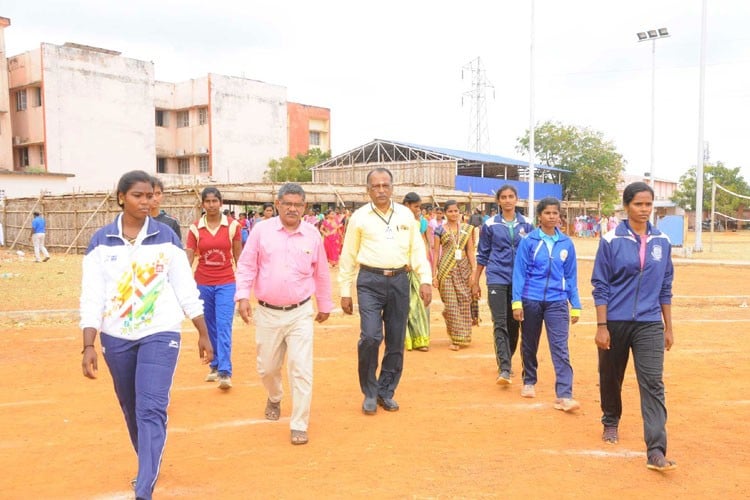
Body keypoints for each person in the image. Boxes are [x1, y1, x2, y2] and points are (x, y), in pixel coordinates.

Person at [80, 170, 212, 500]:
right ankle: (148, 463)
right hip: (116, 337)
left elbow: (185, 288)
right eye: (139, 195)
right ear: (122, 197)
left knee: (151, 408)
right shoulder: (100, 242)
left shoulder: (166, 237)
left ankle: (144, 489)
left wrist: (202, 332)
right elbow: (92, 296)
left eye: (151, 195)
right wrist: (88, 343)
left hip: (160, 332)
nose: (146, 201)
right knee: (130, 406)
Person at [235, 183, 332, 446]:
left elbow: (321, 272)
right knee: (267, 368)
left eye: (298, 204)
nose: (292, 208)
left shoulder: (312, 234)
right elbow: (246, 265)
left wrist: (325, 304)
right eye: (287, 203)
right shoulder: (261, 231)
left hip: (300, 312)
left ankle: (299, 423)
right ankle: (275, 396)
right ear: (277, 204)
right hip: (267, 313)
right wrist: (242, 295)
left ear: (304, 207)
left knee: (301, 369)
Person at [592, 181, 676, 471]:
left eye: (648, 204)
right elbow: (600, 284)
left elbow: (666, 285)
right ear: (627, 206)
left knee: (653, 383)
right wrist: (602, 325)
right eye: (638, 204)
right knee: (611, 376)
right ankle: (611, 420)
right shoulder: (611, 239)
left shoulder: (662, 241)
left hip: (650, 322)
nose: (644, 210)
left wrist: (668, 326)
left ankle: (656, 449)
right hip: (615, 320)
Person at [339, 168, 432, 414]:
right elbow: (348, 255)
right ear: (368, 190)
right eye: (376, 186)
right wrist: (345, 290)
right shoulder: (359, 217)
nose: (381, 190)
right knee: (370, 337)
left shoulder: (405, 215)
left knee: (395, 340)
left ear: (392, 188)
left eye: (385, 185)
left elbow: (417, 250)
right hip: (369, 280)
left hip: (400, 280)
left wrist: (425, 280)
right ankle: (369, 391)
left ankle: (386, 391)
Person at [512, 197, 581, 411]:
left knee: (560, 347)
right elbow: (519, 272)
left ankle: (564, 394)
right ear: (539, 216)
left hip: (557, 301)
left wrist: (575, 304)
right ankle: (529, 381)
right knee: (529, 343)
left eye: (555, 213)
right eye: (547, 213)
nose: (552, 216)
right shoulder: (529, 241)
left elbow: (571, 276)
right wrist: (517, 302)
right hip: (531, 299)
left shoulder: (566, 243)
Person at [471, 185, 534, 385]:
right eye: (503, 197)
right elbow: (483, 253)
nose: (507, 200)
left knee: (515, 324)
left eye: (511, 197)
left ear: (517, 200)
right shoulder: (489, 225)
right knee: (500, 323)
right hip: (497, 277)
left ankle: (508, 357)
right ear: (498, 201)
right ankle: (504, 368)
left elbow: (533, 254)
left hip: (521, 281)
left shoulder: (528, 224)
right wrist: (476, 280)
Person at [186, 187, 242, 390]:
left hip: (226, 282)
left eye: (214, 201)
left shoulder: (233, 226)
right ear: (202, 204)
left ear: (221, 203)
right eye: (207, 201)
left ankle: (225, 371)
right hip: (203, 283)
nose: (211, 205)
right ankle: (215, 365)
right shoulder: (195, 228)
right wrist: (183, 280)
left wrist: (243, 285)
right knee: (209, 327)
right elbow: (190, 255)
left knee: (224, 324)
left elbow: (238, 256)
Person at [433, 200, 477, 350]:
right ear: (445, 213)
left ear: (460, 212)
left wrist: (474, 271)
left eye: (456, 211)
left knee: (464, 301)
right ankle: (458, 339)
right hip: (446, 270)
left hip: (463, 269)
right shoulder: (440, 230)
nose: (453, 214)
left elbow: (470, 251)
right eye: (450, 211)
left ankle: (463, 334)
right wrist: (434, 275)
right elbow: (436, 252)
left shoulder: (466, 229)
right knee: (451, 304)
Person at [402, 192, 430, 352]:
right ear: (406, 205)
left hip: (415, 267)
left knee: (418, 304)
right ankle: (405, 339)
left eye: (419, 207)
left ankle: (420, 339)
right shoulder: (396, 221)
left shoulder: (419, 223)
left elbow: (420, 244)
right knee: (402, 305)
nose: (418, 210)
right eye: (416, 206)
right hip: (400, 267)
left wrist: (417, 263)